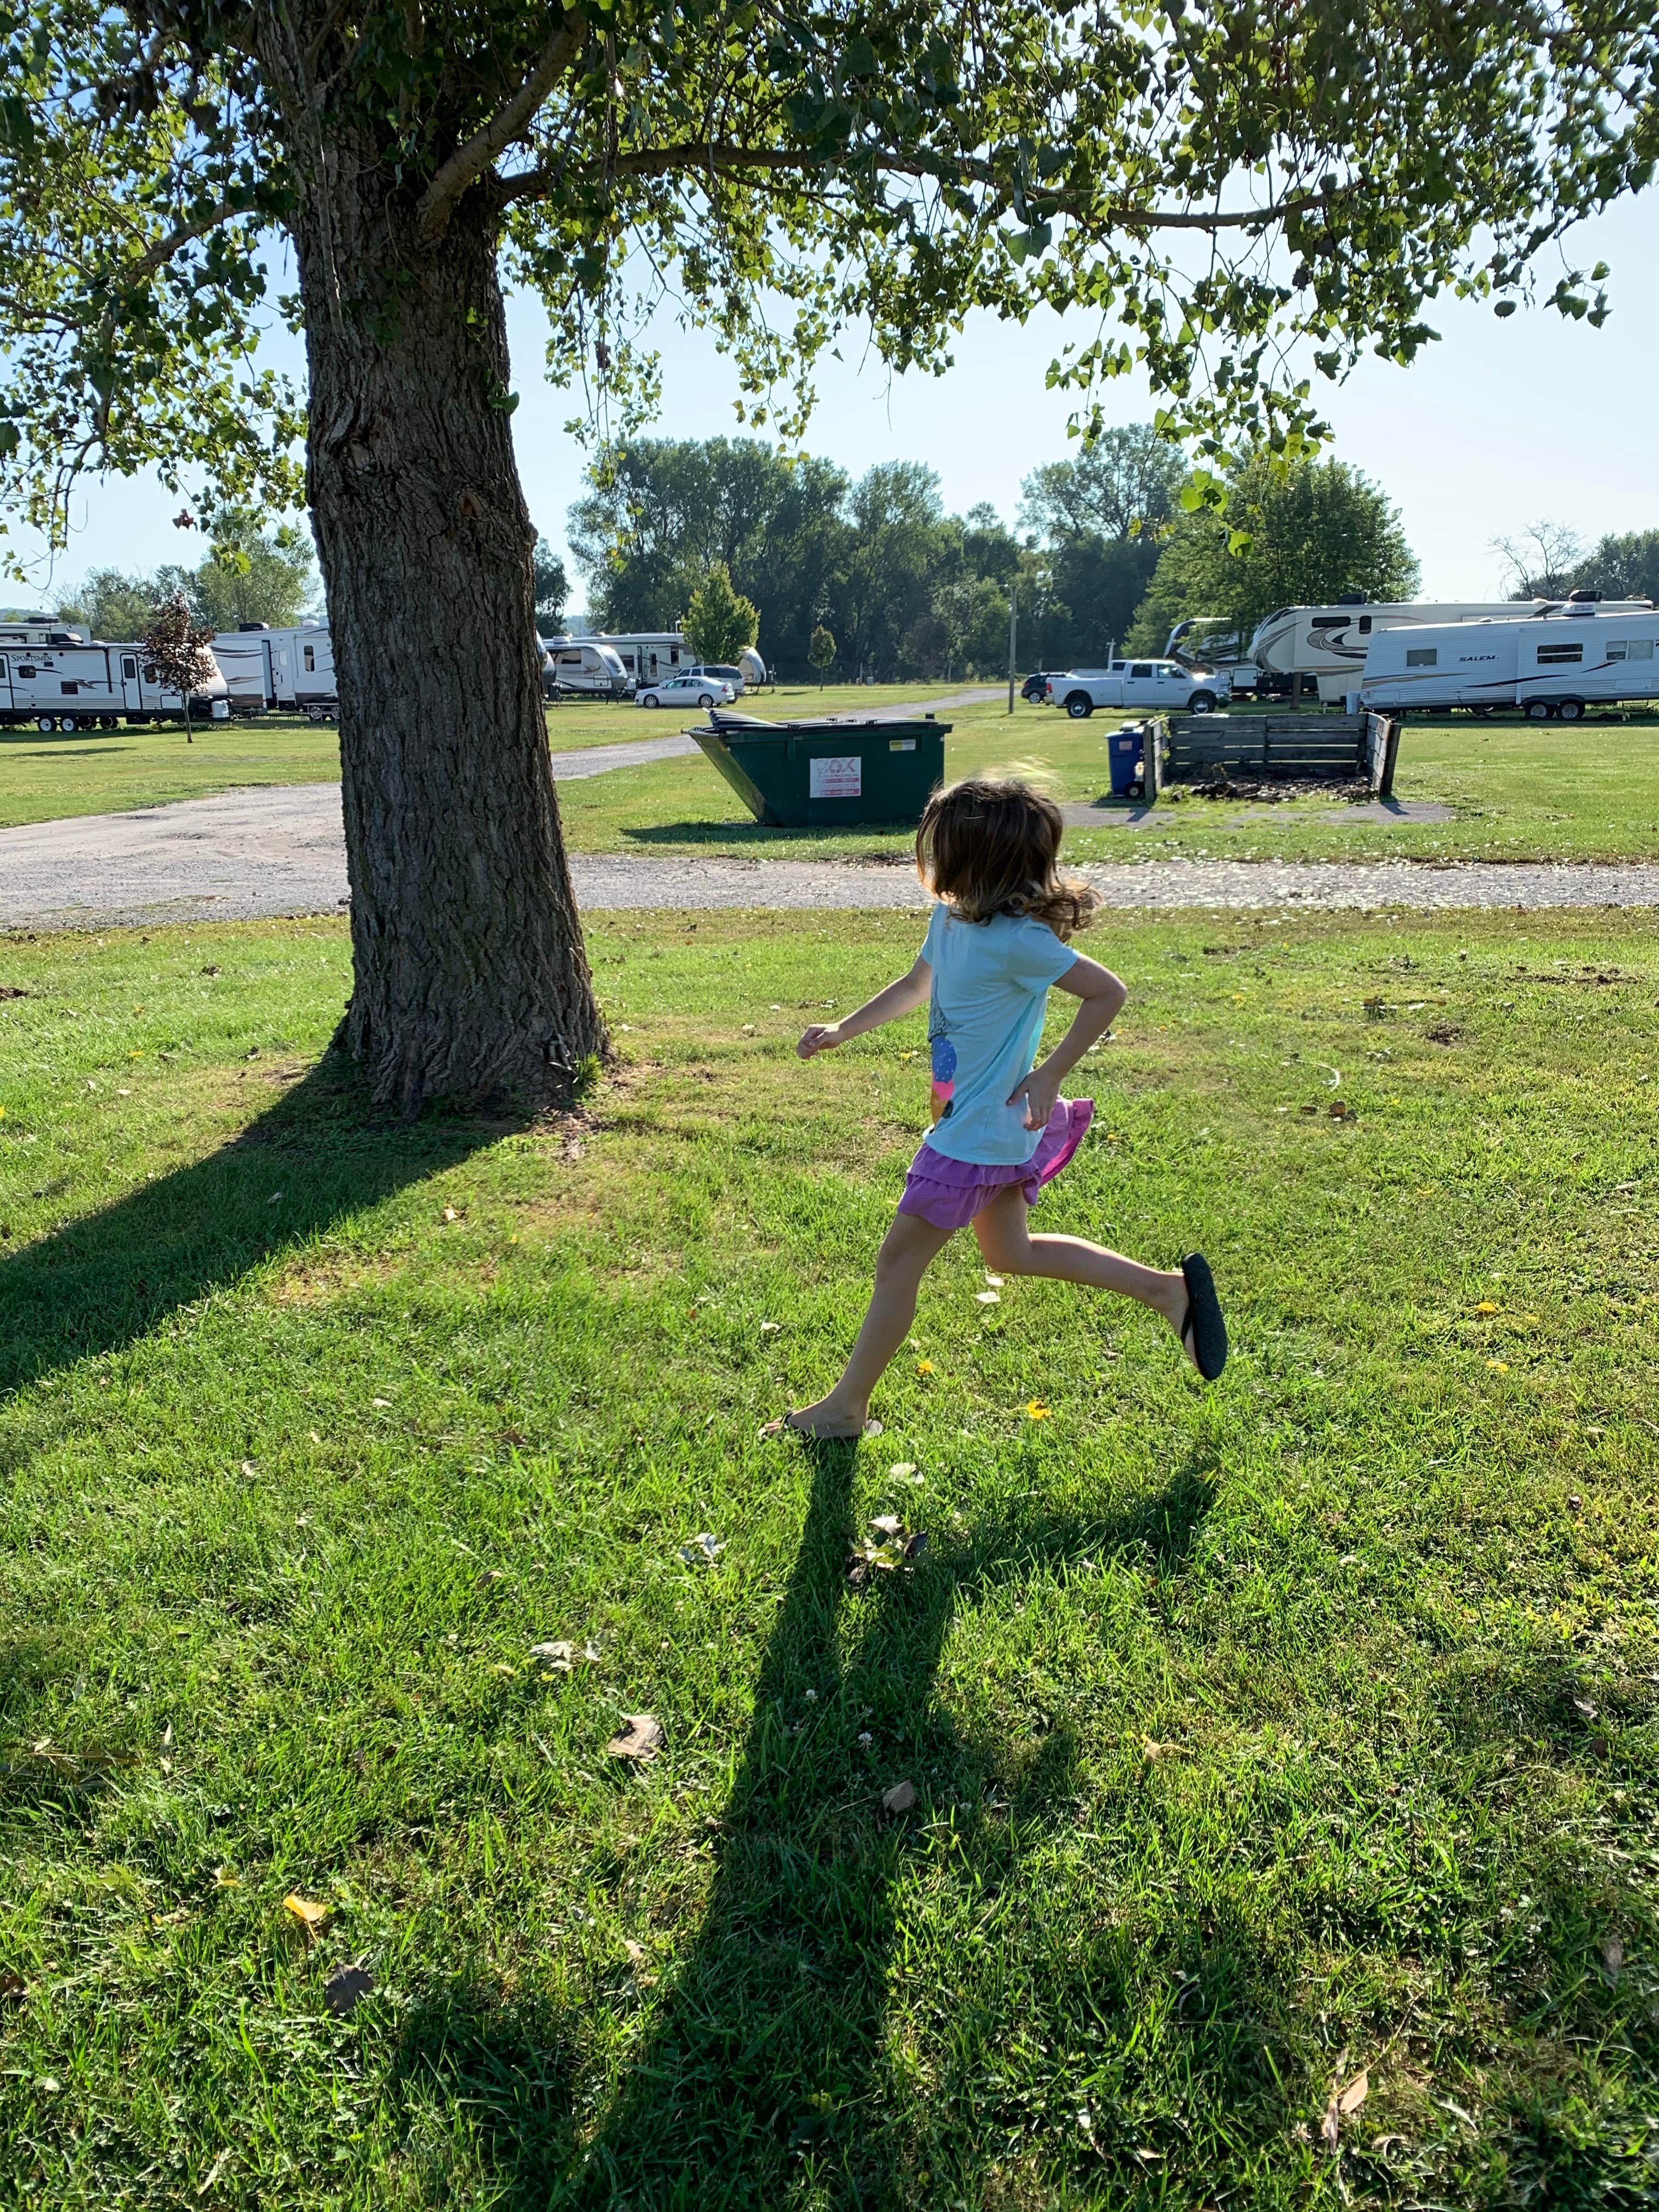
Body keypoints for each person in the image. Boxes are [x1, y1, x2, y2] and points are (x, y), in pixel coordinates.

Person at [781, 777, 1227, 1439]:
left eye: (941, 847)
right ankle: (1167, 1292)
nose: (931, 860)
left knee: (898, 1262)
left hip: (978, 1135)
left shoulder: (1021, 941)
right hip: (973, 1124)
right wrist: (845, 1029)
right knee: (1010, 1253)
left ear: (973, 858)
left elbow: (1108, 992)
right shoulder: (953, 920)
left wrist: (1050, 1074)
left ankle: (846, 1408)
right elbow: (915, 984)